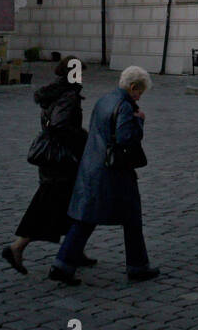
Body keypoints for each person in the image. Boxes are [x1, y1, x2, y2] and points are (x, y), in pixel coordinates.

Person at [50, 66, 158, 285]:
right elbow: (125, 138)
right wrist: (140, 121)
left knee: (87, 217)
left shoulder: (105, 100)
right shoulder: (125, 106)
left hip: (93, 166)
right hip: (114, 170)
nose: (140, 96)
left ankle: (63, 264)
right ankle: (137, 266)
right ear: (133, 87)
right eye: (140, 92)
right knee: (131, 216)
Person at [3, 57, 87, 274]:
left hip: (53, 158)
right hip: (61, 159)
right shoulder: (68, 95)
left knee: (66, 204)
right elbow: (61, 125)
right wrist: (84, 137)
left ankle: (75, 248)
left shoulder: (55, 92)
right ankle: (17, 247)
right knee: (50, 205)